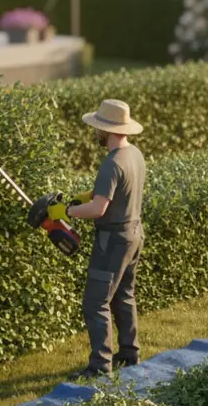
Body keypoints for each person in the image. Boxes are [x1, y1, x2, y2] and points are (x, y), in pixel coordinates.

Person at [49, 99, 147, 379]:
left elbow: (98, 209)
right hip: (134, 234)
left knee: (96, 302)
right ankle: (129, 355)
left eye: (98, 129)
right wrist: (89, 195)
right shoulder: (135, 154)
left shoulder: (111, 163)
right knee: (124, 296)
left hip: (113, 240)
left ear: (106, 130)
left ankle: (100, 366)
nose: (96, 133)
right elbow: (119, 192)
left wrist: (66, 210)